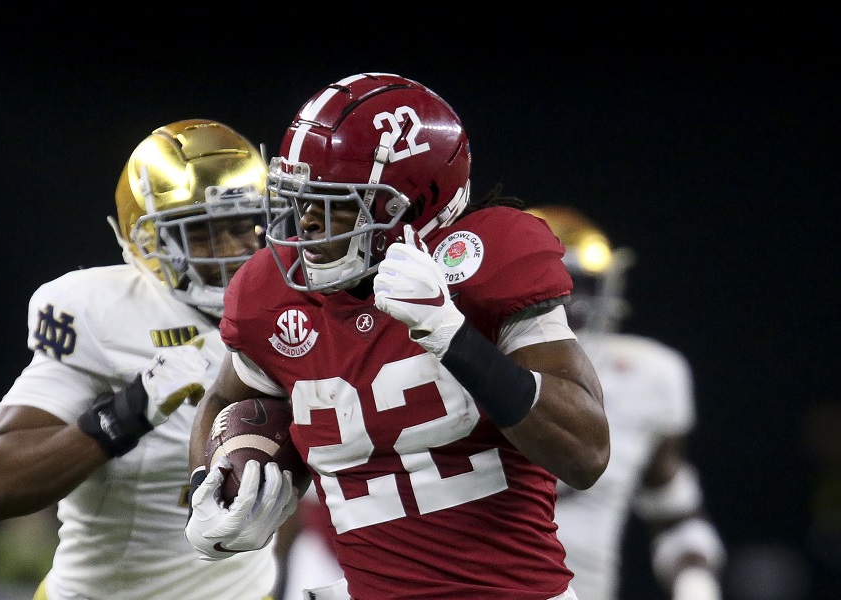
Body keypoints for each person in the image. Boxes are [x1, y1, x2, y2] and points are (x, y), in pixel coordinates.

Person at [184, 73, 610, 600]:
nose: (308, 223)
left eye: (337, 201)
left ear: (414, 204)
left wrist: (453, 337)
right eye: (301, 198)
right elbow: (228, 399)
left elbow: (585, 454)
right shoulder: (272, 294)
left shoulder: (488, 265)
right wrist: (211, 482)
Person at [0, 119, 286, 600]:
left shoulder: (293, 306)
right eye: (202, 233)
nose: (231, 253)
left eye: (243, 225)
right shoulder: (103, 315)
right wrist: (128, 411)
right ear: (149, 242)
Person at [524, 204, 726, 600]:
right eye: (550, 289)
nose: (568, 307)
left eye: (579, 288)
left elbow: (674, 513)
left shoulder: (648, 375)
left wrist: (696, 587)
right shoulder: (450, 367)